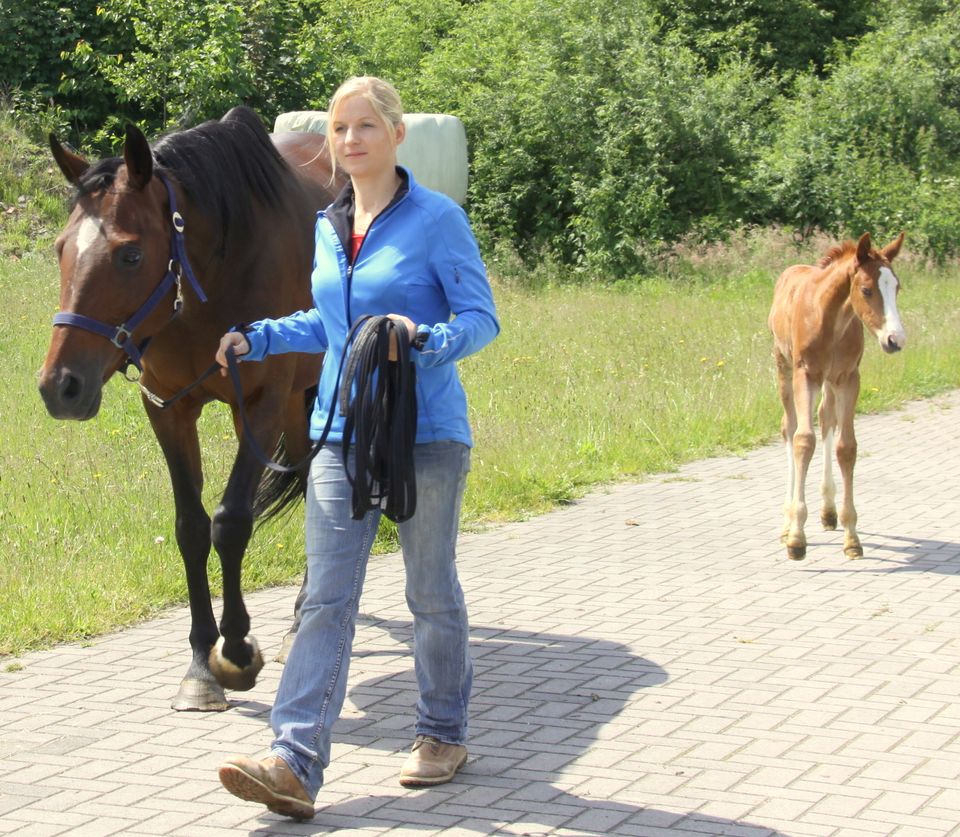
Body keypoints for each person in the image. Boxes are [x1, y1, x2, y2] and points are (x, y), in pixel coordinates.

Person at [214, 76, 499, 820]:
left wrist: (424, 338)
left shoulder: (437, 220)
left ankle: (443, 731)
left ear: (397, 134)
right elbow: (328, 321)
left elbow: (481, 318)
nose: (350, 141)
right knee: (325, 600)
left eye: (365, 126)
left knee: (429, 593)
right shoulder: (328, 224)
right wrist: (261, 335)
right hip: (338, 435)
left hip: (425, 435)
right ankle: (295, 761)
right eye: (340, 128)